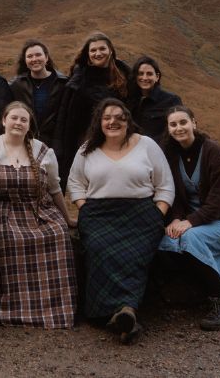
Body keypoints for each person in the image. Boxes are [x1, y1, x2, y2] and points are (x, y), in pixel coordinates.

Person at [67, 98, 174, 344]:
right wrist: (84, 208)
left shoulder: (146, 145)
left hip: (141, 213)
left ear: (128, 120)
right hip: (98, 214)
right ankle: (124, 312)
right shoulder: (87, 149)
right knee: (99, 249)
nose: (112, 121)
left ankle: (122, 312)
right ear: (99, 122)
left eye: (118, 117)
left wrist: (158, 212)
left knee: (135, 255)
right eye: (107, 118)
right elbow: (75, 183)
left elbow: (165, 184)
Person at [0, 102, 77, 329]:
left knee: (58, 234)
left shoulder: (42, 150)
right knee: (10, 238)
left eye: (24, 120)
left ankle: (55, 311)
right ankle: (9, 311)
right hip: (0, 211)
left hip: (38, 211)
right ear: (4, 120)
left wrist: (67, 218)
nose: (18, 123)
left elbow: (54, 189)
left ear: (29, 125)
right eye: (14, 118)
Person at [158, 105, 220, 330]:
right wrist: (177, 218)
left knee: (191, 240)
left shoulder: (212, 150)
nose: (179, 128)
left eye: (183, 122)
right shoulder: (171, 154)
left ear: (194, 124)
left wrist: (189, 222)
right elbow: (175, 195)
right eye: (173, 124)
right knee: (165, 242)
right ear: (168, 129)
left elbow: (219, 199)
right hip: (195, 222)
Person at [54, 32, 130, 189]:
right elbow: (66, 114)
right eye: (93, 50)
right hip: (88, 140)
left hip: (119, 139)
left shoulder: (125, 75)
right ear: (88, 55)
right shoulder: (79, 79)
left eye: (102, 49)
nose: (98, 53)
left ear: (111, 51)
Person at [9, 39, 67, 147]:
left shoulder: (63, 84)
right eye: (30, 56)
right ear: (25, 61)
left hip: (56, 144)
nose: (34, 59)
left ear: (46, 58)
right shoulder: (17, 85)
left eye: (38, 55)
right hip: (25, 142)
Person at [126, 55, 182, 143]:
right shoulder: (129, 99)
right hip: (132, 151)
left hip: (159, 152)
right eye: (140, 73)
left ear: (157, 77)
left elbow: (178, 129)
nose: (144, 78)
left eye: (149, 74)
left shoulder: (171, 100)